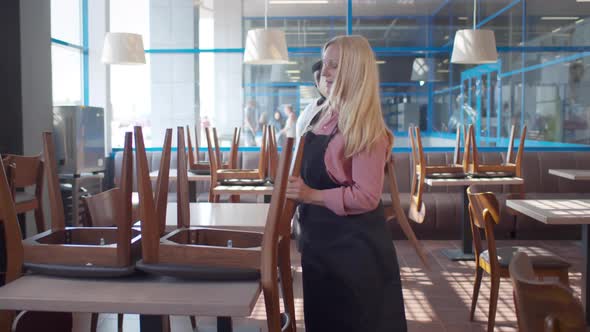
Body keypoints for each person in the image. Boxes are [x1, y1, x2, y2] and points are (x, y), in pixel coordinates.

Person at [286, 35, 407, 332]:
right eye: (324, 63)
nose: (323, 72)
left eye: (334, 66)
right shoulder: (321, 116)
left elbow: (366, 196)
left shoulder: (366, 129)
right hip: (320, 247)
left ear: (354, 72)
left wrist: (309, 194)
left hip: (353, 255)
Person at [295, 60, 327, 141]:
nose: (325, 80)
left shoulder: (342, 108)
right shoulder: (310, 108)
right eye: (319, 78)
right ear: (316, 84)